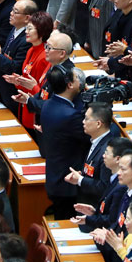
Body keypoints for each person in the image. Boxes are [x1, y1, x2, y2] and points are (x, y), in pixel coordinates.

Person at [40, 66, 89, 219]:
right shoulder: (71, 115)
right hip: (67, 184)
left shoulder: (48, 105)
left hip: (55, 176)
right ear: (69, 85)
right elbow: (90, 138)